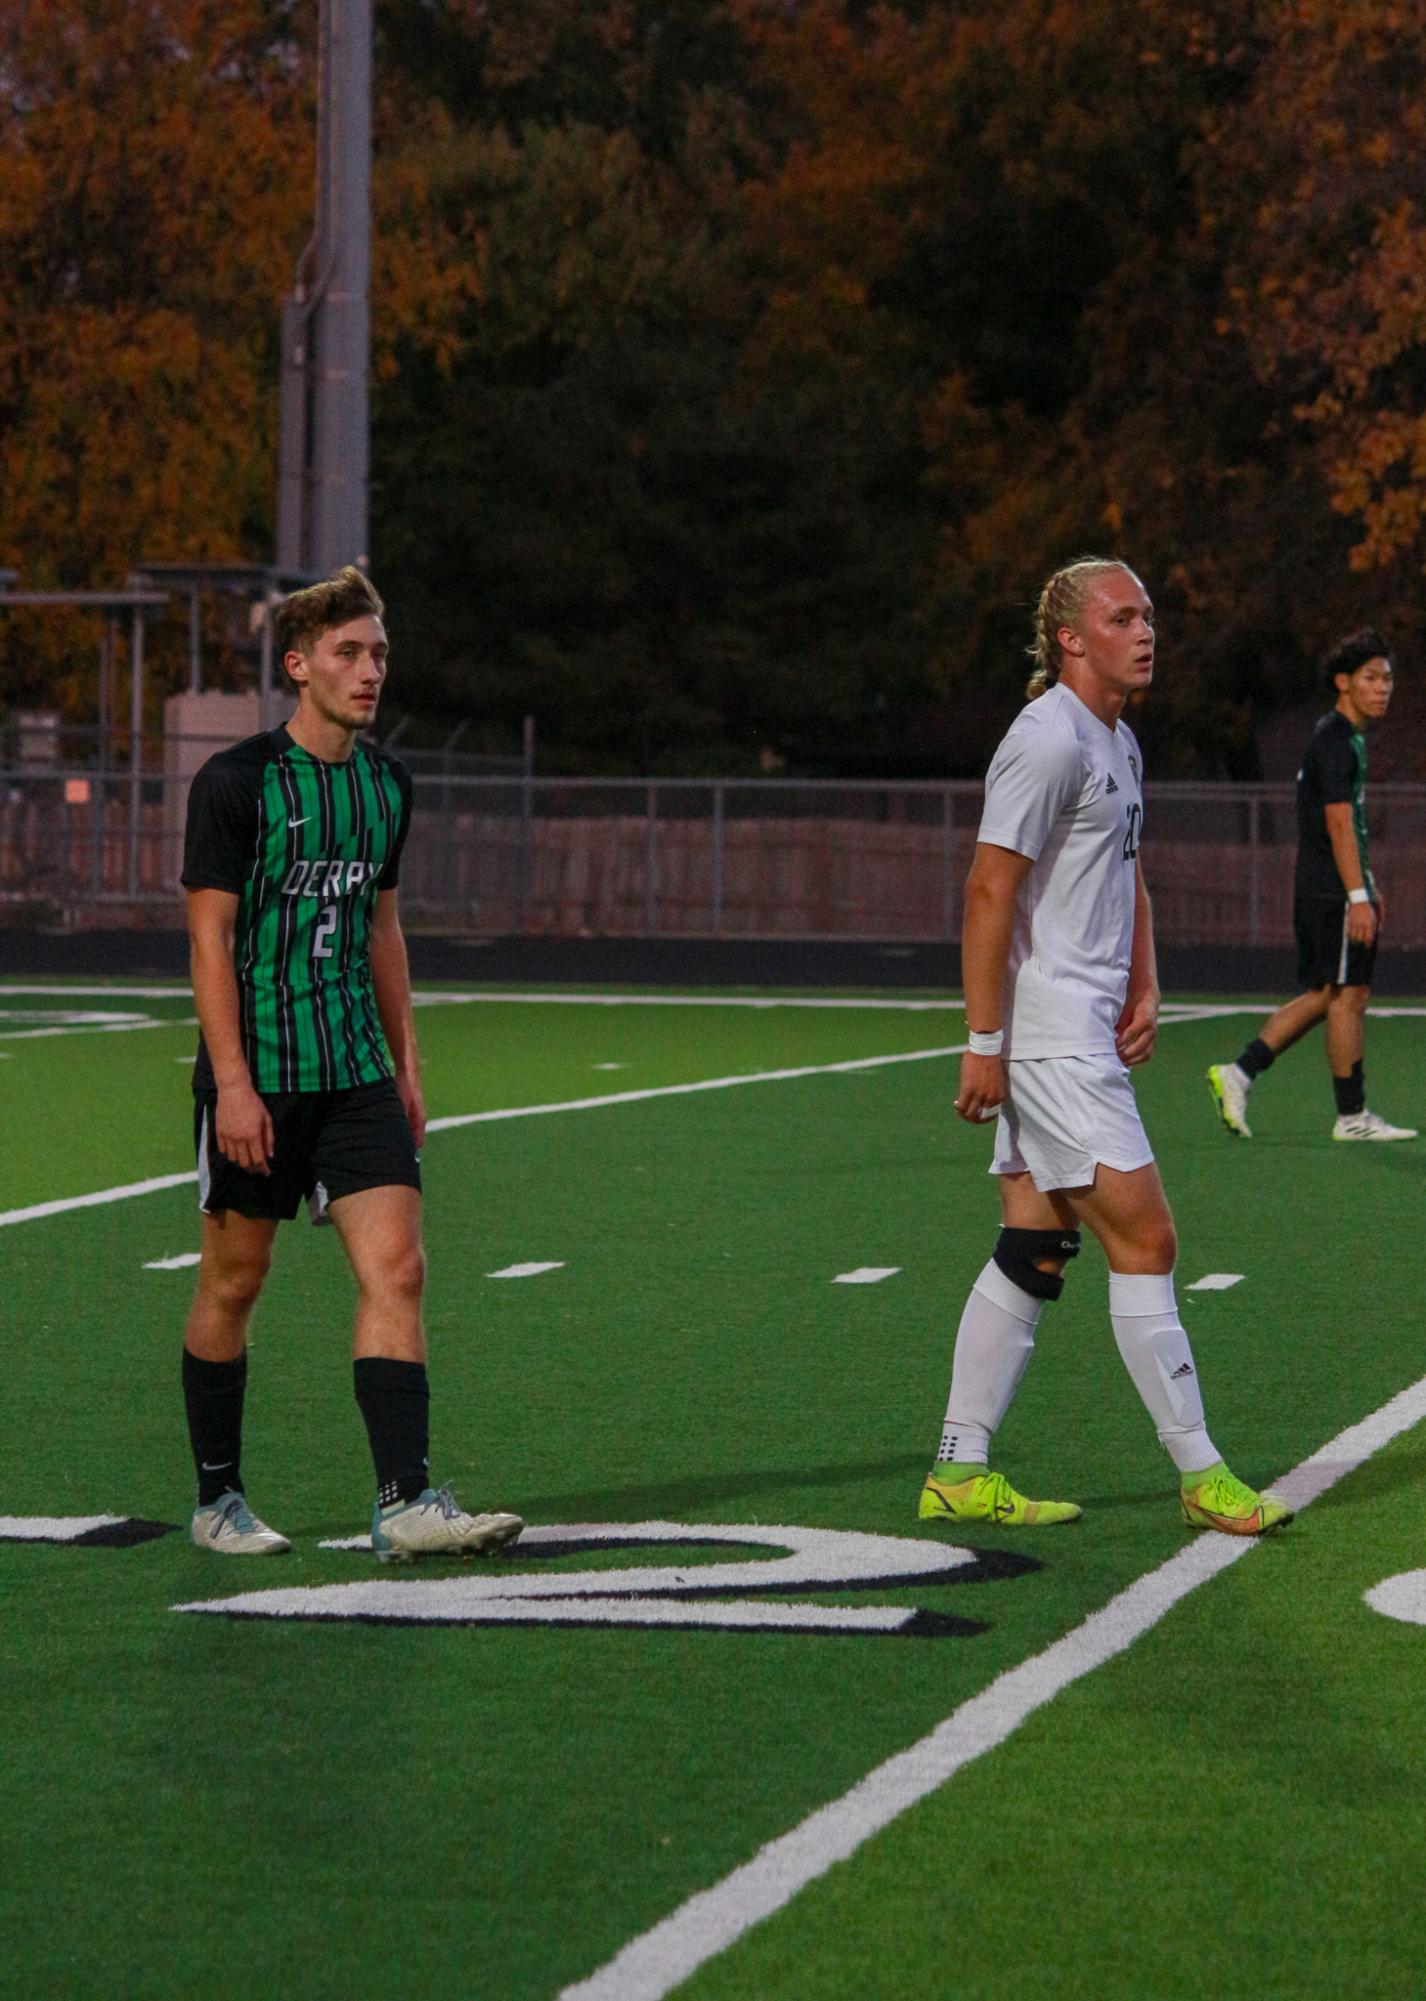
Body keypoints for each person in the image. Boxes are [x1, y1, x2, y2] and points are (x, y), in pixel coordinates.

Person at [920, 557, 1291, 1536]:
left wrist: (1144, 977)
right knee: (1149, 1235)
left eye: (1149, 615)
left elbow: (1125, 869)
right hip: (1046, 1041)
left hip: (1076, 1029)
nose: (1146, 631)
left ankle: (957, 1469)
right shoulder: (1044, 742)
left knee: (1036, 1241)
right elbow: (987, 890)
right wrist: (983, 1041)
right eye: (1122, 617)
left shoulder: (1115, 740)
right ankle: (1200, 1472)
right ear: (1070, 638)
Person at [179, 565, 523, 1559]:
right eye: (348, 654)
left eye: (378, 654)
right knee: (235, 1282)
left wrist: (406, 1064)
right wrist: (234, 1084)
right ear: (298, 666)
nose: (369, 671)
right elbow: (208, 943)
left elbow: (381, 928)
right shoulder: (237, 783)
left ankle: (405, 1501)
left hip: (357, 1073)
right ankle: (216, 1500)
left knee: (399, 1270)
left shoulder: (386, 787)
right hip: (263, 1077)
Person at [1207, 629, 1415, 1143]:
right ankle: (1352, 1116)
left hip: (1329, 888)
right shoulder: (1338, 741)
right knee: (1348, 996)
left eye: (1388, 679)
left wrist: (1365, 883)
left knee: (1328, 993)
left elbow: (1348, 824)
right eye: (1371, 678)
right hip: (1333, 893)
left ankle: (1240, 1072)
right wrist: (1359, 895)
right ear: (1343, 682)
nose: (1383, 688)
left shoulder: (1338, 738)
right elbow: (1339, 823)